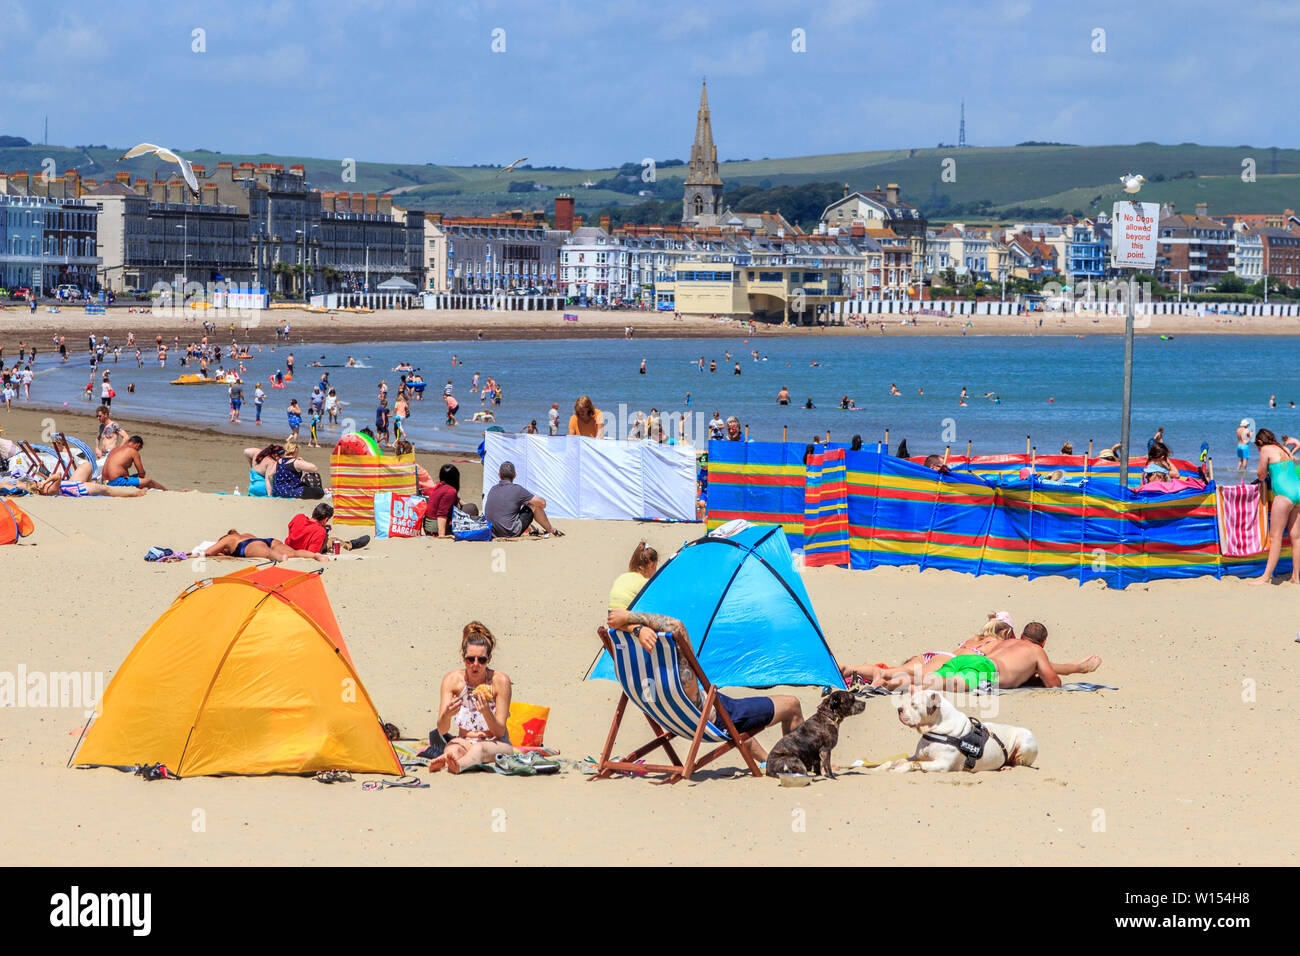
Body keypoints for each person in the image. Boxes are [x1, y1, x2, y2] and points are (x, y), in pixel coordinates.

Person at [604, 606, 802, 763]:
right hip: (713, 718)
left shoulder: (645, 678)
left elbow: (612, 621)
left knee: (735, 717)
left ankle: (767, 760)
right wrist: (632, 618)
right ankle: (800, 763)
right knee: (792, 704)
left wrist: (635, 628)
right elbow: (675, 626)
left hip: (675, 718)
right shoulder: (684, 678)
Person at [427, 622, 515, 774]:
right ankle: (450, 757)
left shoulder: (500, 682)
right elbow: (442, 730)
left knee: (478, 749)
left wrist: (487, 712)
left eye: (481, 660)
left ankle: (457, 766)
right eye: (470, 659)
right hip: (464, 740)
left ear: (489, 659)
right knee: (454, 747)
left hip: (496, 743)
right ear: (463, 658)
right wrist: (447, 714)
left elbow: (500, 732)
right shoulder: (452, 681)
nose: (476, 665)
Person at [1251, 428, 1300, 586]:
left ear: (1259, 442)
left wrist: (1263, 474)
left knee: (1275, 537)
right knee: (1296, 537)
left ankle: (1266, 577)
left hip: (1284, 494)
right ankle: (1296, 577)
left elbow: (1261, 475)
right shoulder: (1284, 448)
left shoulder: (1265, 449)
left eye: (1257, 447)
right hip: (1298, 490)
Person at [483, 461, 563, 538]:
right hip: (510, 532)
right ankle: (551, 530)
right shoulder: (517, 489)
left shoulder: (492, 489)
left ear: (499, 475)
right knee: (533, 505)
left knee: (512, 508)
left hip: (492, 532)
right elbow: (542, 504)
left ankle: (532, 530)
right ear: (515, 475)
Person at [285, 503, 369, 553]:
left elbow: (293, 529)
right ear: (325, 520)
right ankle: (350, 545)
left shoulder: (299, 517)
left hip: (289, 547)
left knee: (331, 539)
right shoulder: (320, 531)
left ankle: (349, 544)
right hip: (303, 551)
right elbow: (314, 553)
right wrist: (324, 539)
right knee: (333, 540)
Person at [203, 529, 329, 563]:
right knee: (294, 553)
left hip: (249, 546)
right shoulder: (246, 534)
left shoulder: (228, 539)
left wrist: (220, 553)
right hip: (267, 540)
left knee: (269, 554)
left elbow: (208, 552)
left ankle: (280, 558)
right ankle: (316, 555)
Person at [101, 436, 166, 489]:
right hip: (116, 482)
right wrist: (141, 478)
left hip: (104, 481)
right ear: (138, 445)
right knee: (149, 481)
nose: (138, 450)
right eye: (139, 449)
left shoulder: (116, 449)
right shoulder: (133, 451)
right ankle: (166, 491)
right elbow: (141, 473)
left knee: (135, 477)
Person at [609, 541, 658, 610]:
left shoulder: (622, 577)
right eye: (655, 566)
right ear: (651, 565)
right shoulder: (645, 583)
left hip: (612, 613)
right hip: (626, 614)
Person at [425, 463, 461, 537]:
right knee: (471, 509)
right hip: (435, 529)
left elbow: (456, 500)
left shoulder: (440, 486)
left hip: (428, 527)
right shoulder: (450, 491)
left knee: (468, 507)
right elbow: (442, 513)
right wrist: (442, 535)